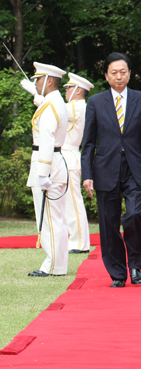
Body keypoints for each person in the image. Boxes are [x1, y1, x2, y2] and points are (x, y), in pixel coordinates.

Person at [81, 53, 141, 288]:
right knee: (109, 223)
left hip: (136, 168)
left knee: (134, 216)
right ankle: (117, 272)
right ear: (106, 76)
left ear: (129, 73)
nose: (119, 76)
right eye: (114, 72)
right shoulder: (95, 102)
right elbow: (88, 143)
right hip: (105, 169)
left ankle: (135, 264)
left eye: (123, 72)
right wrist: (87, 174)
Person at [20, 62, 69, 276]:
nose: (35, 82)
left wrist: (42, 174)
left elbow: (47, 139)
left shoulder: (51, 105)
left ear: (49, 81)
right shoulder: (55, 101)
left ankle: (53, 265)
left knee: (49, 218)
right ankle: (57, 264)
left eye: (37, 79)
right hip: (55, 162)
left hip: (48, 164)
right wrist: (36, 95)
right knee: (55, 216)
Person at [63, 73, 94, 254]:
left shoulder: (77, 107)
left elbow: (53, 109)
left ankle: (80, 243)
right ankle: (75, 240)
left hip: (70, 156)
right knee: (68, 202)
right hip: (67, 155)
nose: (66, 91)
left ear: (77, 91)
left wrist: (38, 96)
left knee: (73, 202)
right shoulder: (75, 107)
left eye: (68, 88)